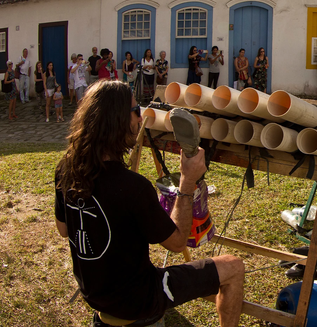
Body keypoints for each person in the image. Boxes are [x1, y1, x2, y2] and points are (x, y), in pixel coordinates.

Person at [54, 80, 244, 327]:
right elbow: (177, 243)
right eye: (135, 111)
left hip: (97, 295)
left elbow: (64, 229)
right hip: (139, 300)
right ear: (117, 121)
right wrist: (187, 182)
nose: (139, 118)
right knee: (233, 266)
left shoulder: (66, 169)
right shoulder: (132, 187)